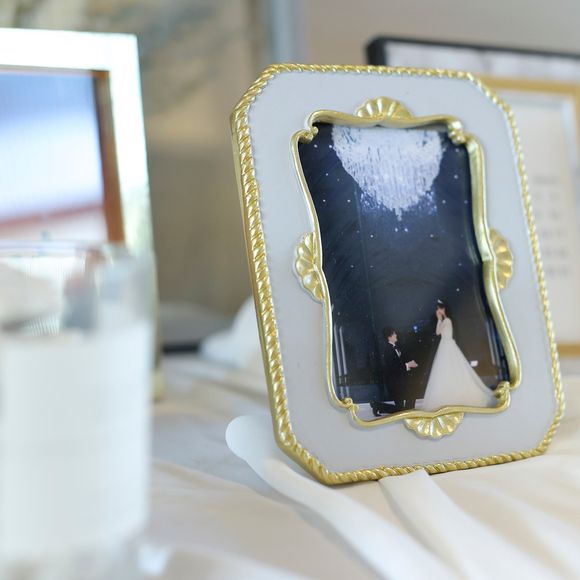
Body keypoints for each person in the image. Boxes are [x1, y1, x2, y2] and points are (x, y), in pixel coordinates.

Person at [421, 300, 496, 411]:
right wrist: (439, 319)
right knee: (446, 370)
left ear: (443, 309)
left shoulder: (447, 320)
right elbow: (437, 332)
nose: (437, 311)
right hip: (445, 345)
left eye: (439, 308)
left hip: (447, 346)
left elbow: (438, 331)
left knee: (452, 368)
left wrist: (439, 319)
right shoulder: (445, 320)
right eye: (437, 309)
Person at [371, 327, 418, 416]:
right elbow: (394, 367)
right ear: (389, 337)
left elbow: (399, 362)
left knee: (404, 406)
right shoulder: (388, 350)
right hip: (395, 383)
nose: (396, 335)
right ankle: (378, 406)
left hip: (400, 381)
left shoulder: (396, 347)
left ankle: (378, 406)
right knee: (401, 410)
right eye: (394, 334)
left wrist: (410, 363)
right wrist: (408, 365)